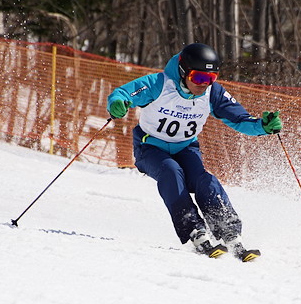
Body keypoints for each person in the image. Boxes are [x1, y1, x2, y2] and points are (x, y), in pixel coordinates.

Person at [106, 43, 282, 261]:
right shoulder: (159, 84)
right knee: (171, 172)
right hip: (150, 147)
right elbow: (123, 94)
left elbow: (239, 118)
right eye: (199, 78)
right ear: (183, 72)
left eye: (210, 78)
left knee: (205, 181)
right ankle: (195, 232)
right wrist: (118, 104)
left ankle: (231, 234)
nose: (204, 85)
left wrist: (262, 126)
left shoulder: (212, 93)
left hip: (186, 147)